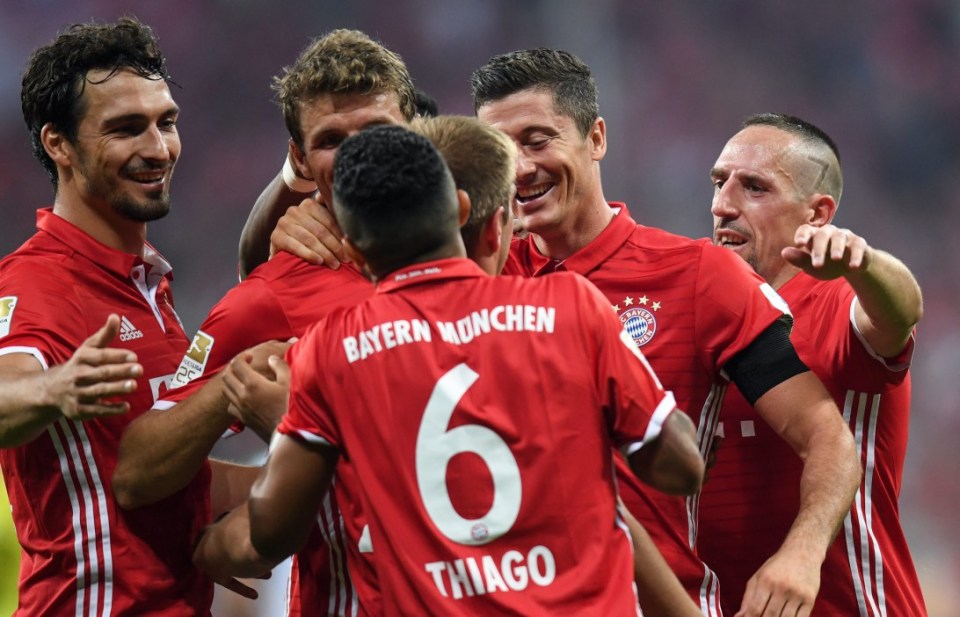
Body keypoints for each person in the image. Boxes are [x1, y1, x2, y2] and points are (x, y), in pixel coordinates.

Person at [265, 49, 863, 616]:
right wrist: (283, 214)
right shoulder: (467, 272)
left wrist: (802, 554)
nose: (521, 167)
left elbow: (827, 438)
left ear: (596, 138)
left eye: (538, 140)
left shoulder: (700, 275)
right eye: (501, 146)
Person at [193, 123, 705, 616]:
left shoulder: (330, 348)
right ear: (463, 208)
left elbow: (274, 531)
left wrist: (217, 535)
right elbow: (679, 470)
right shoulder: (571, 306)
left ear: (352, 249)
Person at [112, 29, 417, 617]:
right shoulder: (268, 298)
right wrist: (231, 387)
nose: (358, 156)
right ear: (300, 159)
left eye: (378, 132)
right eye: (331, 140)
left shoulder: (491, 255)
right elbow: (137, 472)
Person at [0, 17, 214, 615]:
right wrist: (53, 386)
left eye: (166, 122)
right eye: (125, 129)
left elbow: (153, 477)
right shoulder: (36, 281)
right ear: (58, 144)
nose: (157, 148)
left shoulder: (147, 284)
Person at [698, 113, 927, 615]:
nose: (722, 205)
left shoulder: (842, 303)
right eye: (719, 182)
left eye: (754, 187)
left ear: (818, 214)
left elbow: (903, 311)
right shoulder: (696, 309)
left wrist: (863, 264)